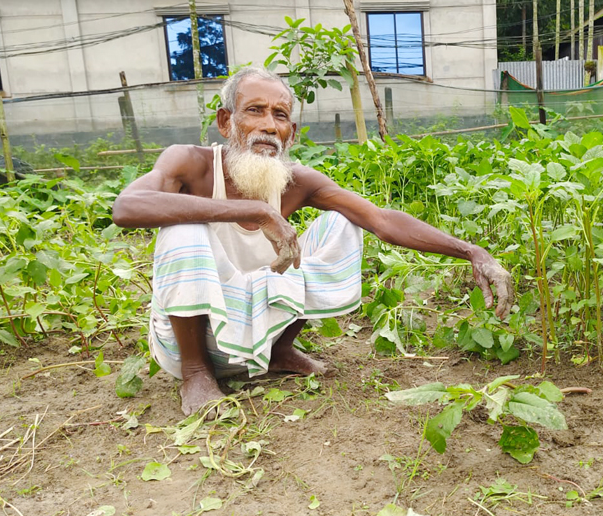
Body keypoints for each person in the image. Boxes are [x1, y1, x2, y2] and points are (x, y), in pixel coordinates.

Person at [112, 67, 514, 416]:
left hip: (257, 330)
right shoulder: (190, 163)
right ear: (225, 121)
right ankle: (196, 376)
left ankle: (278, 352)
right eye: (255, 111)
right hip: (189, 343)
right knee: (183, 227)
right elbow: (127, 207)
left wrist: (472, 251)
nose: (269, 125)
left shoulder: (297, 181)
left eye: (280, 115)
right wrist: (253, 211)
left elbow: (381, 220)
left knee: (342, 224)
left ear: (291, 133)